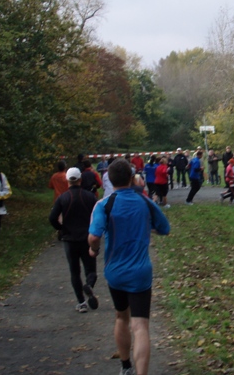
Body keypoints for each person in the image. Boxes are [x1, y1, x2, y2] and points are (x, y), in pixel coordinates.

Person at [88, 158, 170, 375]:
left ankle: (125, 367)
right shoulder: (144, 201)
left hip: (115, 272)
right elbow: (164, 228)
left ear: (110, 179)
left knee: (121, 317)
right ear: (131, 178)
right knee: (141, 326)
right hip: (140, 272)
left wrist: (94, 250)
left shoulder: (104, 204)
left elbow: (94, 236)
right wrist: (147, 227)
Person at [49, 168, 99, 313]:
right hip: (86, 238)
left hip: (69, 239)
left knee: (74, 271)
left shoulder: (62, 198)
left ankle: (81, 302)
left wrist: (61, 228)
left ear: (67, 180)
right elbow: (98, 215)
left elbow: (52, 218)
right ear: (80, 179)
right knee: (91, 269)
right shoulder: (89, 197)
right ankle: (89, 285)